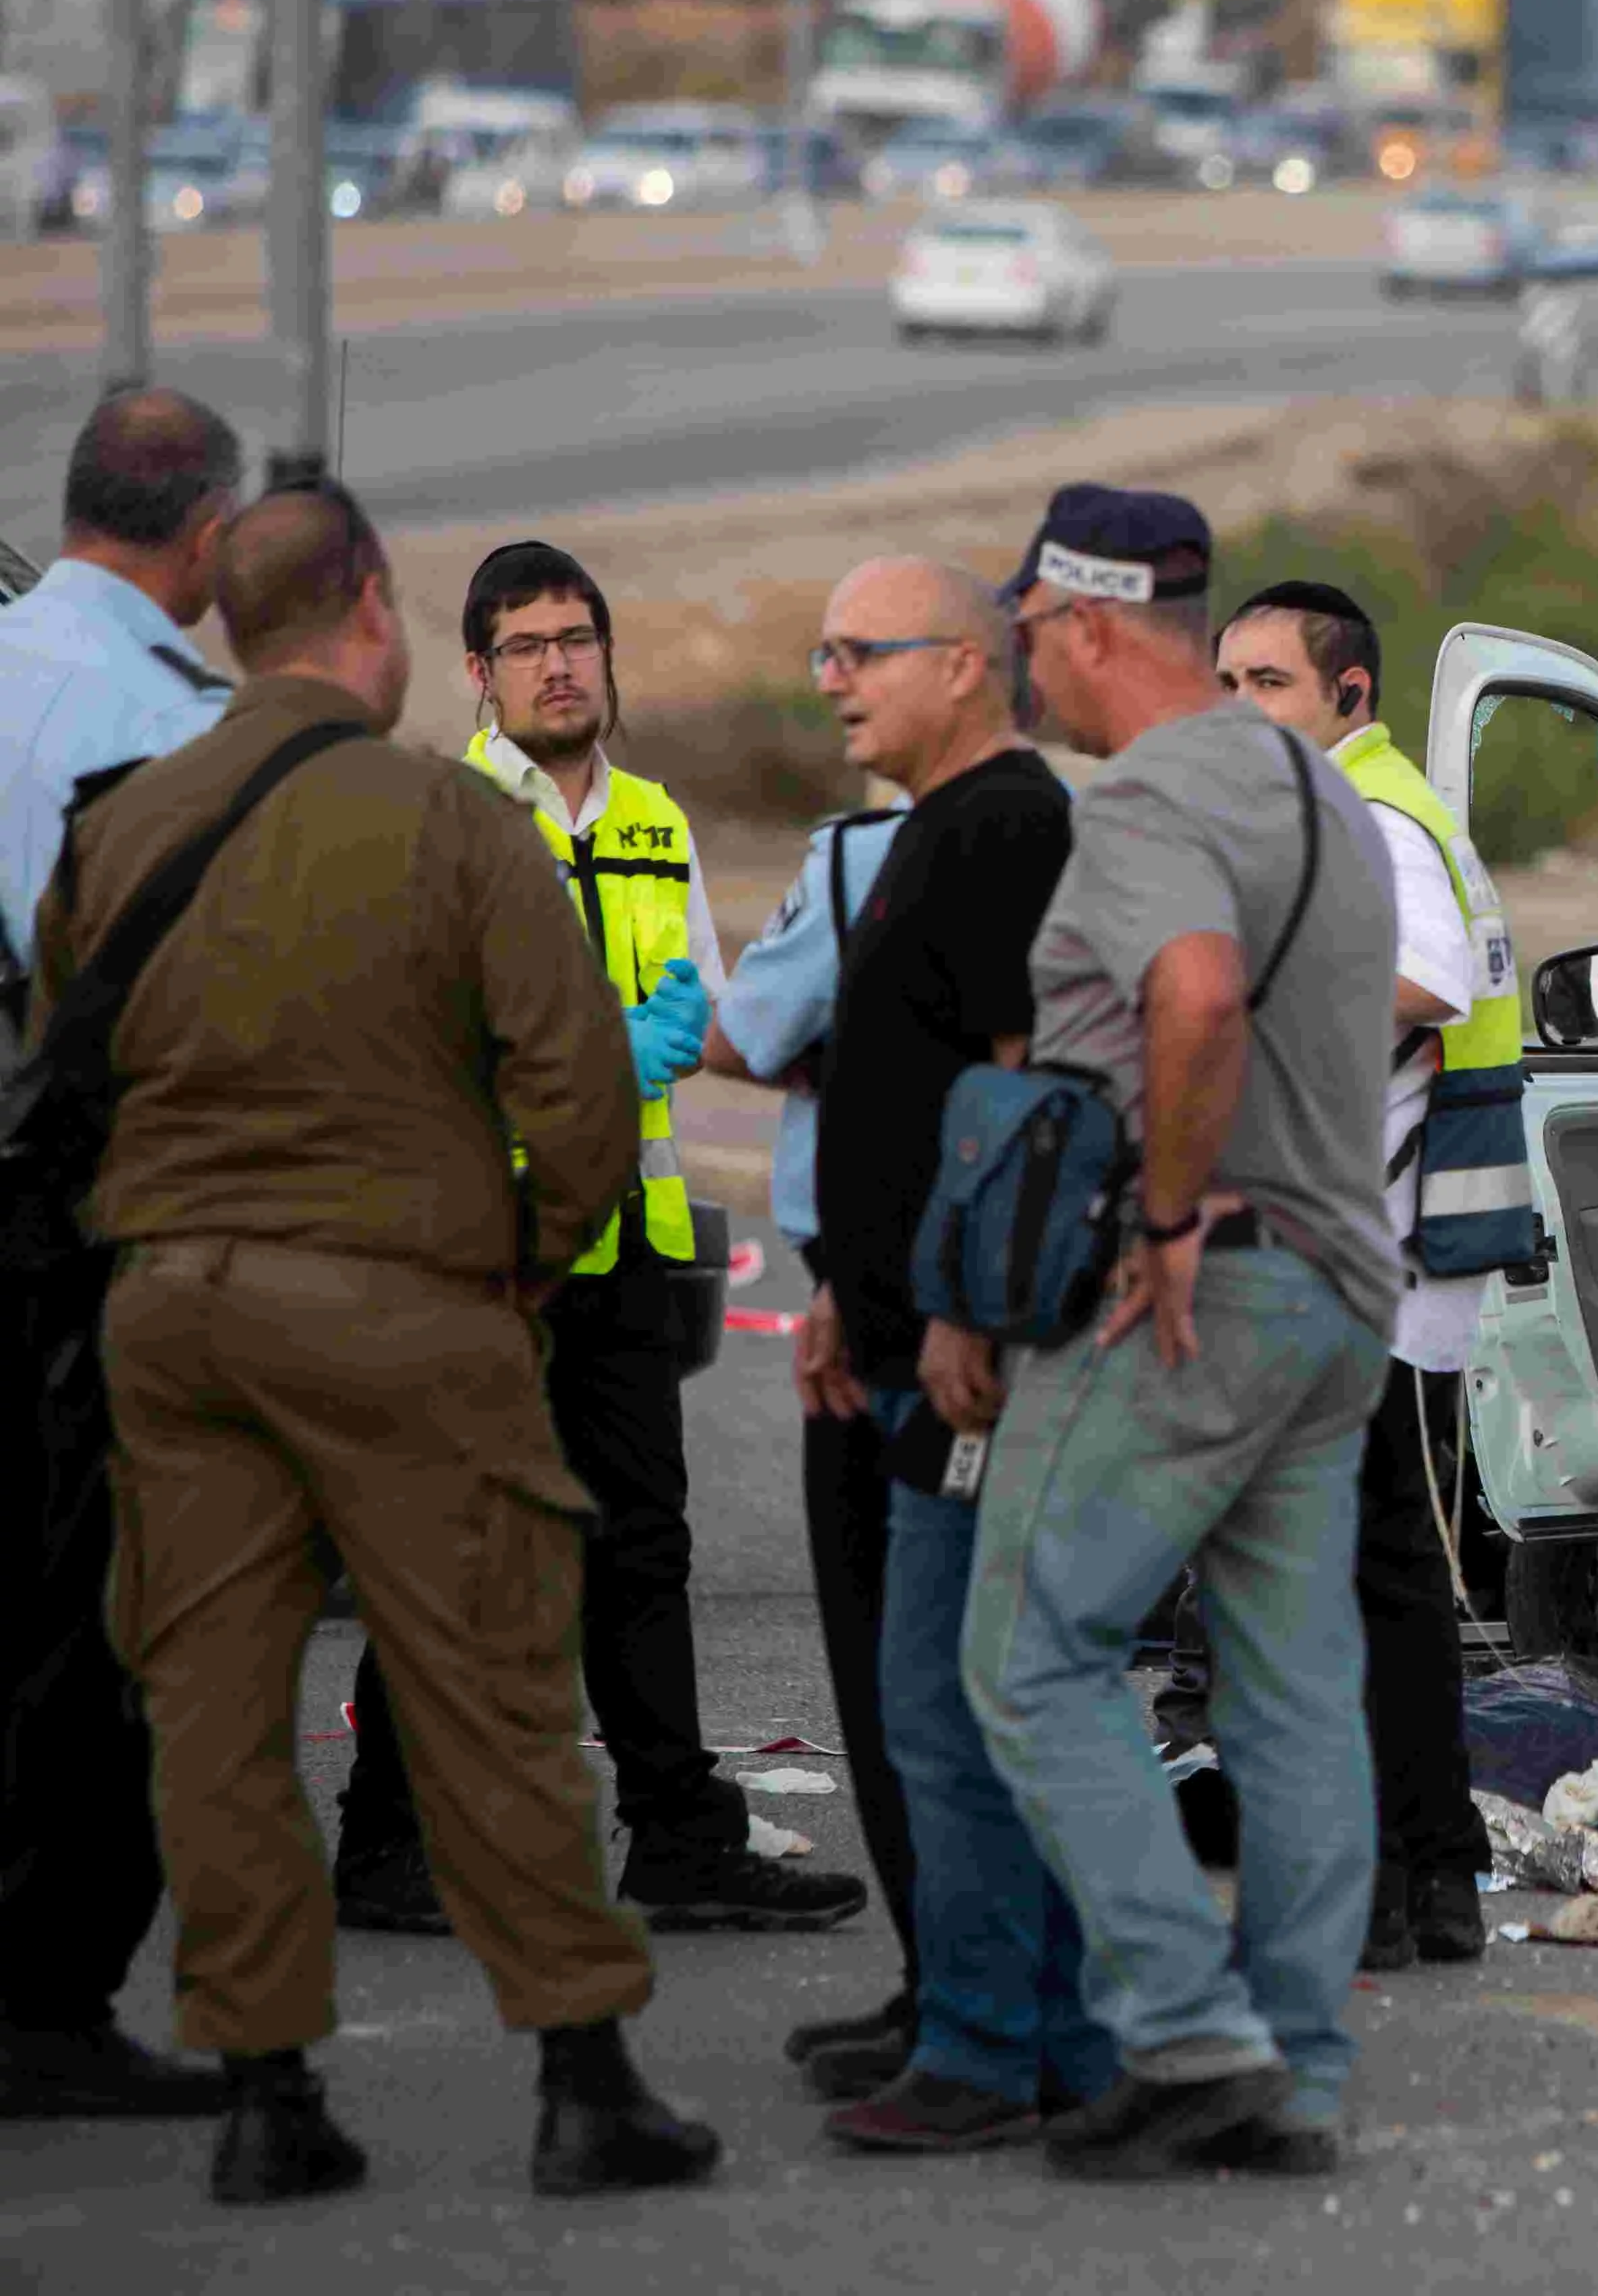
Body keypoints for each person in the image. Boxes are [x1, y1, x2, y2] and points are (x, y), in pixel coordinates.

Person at [37, 481, 717, 2202]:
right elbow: (575, 1094)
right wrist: (524, 1269)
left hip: (172, 1323)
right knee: (488, 1693)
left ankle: (268, 2097)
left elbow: (58, 1073)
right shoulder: (451, 824)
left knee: (217, 1715)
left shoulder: (119, 823)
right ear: (369, 618)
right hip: (409, 1309)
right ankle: (582, 2077)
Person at [954, 487, 1398, 2181]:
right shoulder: (1322, 793)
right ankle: (1294, 2070)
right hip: (1341, 1296)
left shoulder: (1146, 796)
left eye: (1030, 634)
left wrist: (1161, 1215)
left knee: (1027, 1651)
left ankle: (1188, 2032)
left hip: (1205, 1290)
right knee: (1294, 1696)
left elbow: (1196, 993)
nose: (1028, 666)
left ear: (1085, 624)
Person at [329, 542, 864, 1940]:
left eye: (578, 637)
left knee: (643, 1550)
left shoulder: (657, 821)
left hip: (629, 1239)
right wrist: (591, 1053)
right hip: (488, 1245)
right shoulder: (440, 819)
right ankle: (386, 1848)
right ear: (478, 675)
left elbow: (715, 1017)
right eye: (527, 644)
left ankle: (679, 1837)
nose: (561, 663)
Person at [786, 551, 1112, 2151]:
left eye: (861, 651)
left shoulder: (1005, 829)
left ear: (965, 666)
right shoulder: (940, 828)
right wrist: (852, 1285)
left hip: (976, 1357)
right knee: (967, 1695)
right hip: (911, 1328)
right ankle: (1034, 2033)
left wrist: (973, 1312)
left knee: (953, 1697)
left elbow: (1027, 1101)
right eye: (824, 651)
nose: (830, 677)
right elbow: (905, 1101)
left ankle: (991, 2049)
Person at [0, 387, 241, 2121]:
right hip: (79, 1215)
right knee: (98, 1620)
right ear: (206, 534)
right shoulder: (157, 720)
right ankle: (48, 1996)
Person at [1215, 579, 1516, 1970]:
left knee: (1360, 1589)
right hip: (1384, 1261)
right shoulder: (1360, 809)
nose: (1242, 711)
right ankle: (1426, 1877)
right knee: (1377, 1585)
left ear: (1349, 697)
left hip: (1376, 1262)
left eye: (1268, 683)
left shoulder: (1372, 816)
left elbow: (1430, 982)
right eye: (1227, 684)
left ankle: (1406, 1881)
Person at [698, 791, 918, 2063]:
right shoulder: (1063, 827)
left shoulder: (865, 855)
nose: (831, 684)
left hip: (880, 1283)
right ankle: (968, 1992)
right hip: (1000, 1281)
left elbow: (741, 1034)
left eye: (857, 660)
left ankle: (959, 1998)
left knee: (896, 1665)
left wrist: (842, 1053)